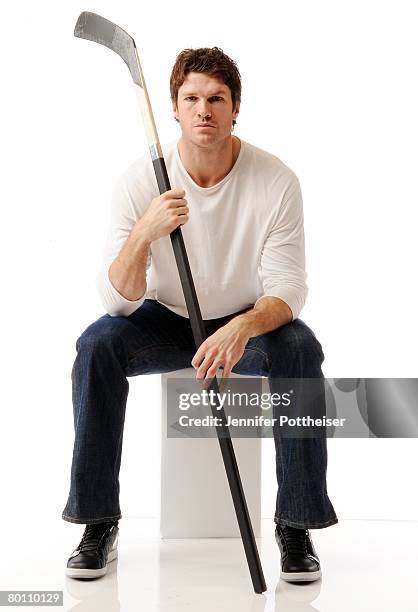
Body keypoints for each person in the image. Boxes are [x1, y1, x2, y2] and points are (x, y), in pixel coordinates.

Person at [63, 46, 338, 582]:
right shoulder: (142, 180)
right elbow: (118, 300)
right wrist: (146, 230)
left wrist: (241, 326)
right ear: (174, 108)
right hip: (165, 318)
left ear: (237, 108)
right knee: (97, 344)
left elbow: (287, 288)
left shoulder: (275, 180)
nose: (204, 110)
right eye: (192, 99)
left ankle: (295, 526)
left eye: (216, 99)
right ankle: (97, 521)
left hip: (244, 319)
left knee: (300, 346)